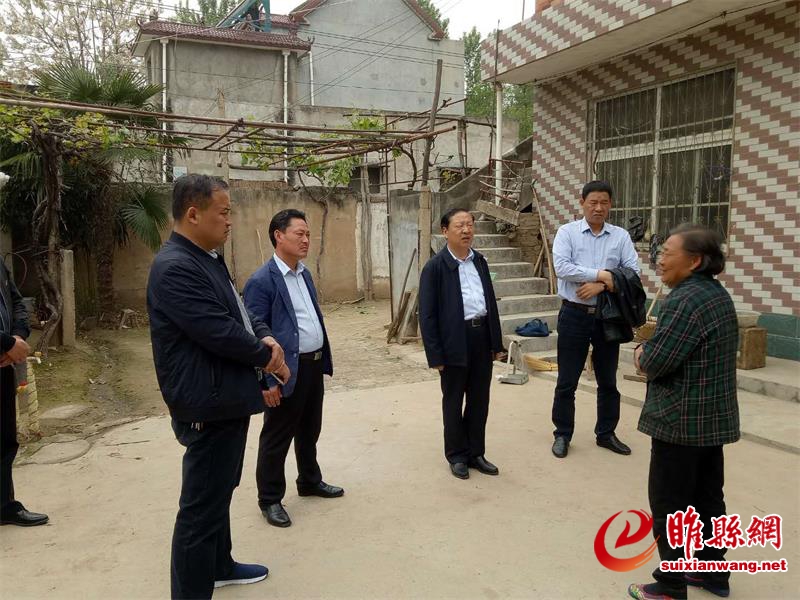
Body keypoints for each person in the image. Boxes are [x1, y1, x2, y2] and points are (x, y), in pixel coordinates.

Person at [147, 174, 289, 599]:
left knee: (220, 491)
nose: (230, 221)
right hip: (205, 404)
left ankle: (219, 565)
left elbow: (239, 312)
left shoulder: (206, 258)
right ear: (193, 214)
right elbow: (217, 330)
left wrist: (263, 335)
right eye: (223, 212)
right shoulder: (175, 267)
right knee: (199, 510)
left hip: (225, 396)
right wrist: (266, 356)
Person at [628, 225, 739, 600]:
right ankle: (713, 573)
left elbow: (656, 361)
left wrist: (641, 353)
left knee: (669, 504)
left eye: (668, 253)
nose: (660, 259)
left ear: (694, 261)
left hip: (680, 422)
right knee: (709, 500)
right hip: (711, 421)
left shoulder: (684, 302)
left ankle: (671, 584)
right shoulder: (717, 295)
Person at [243, 209, 341, 528]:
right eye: (299, 233)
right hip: (283, 371)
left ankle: (309, 480)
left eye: (308, 234)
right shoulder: (262, 281)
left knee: (310, 429)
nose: (306, 240)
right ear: (278, 235)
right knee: (277, 435)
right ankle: (270, 498)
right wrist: (265, 380)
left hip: (312, 365)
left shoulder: (304, 274)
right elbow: (254, 334)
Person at [550, 180, 640, 459]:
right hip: (573, 314)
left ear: (610, 204)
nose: (598, 208)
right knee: (567, 380)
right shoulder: (567, 233)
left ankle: (606, 433)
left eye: (604, 202)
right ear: (582, 203)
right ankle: (562, 434)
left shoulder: (620, 236)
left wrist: (601, 286)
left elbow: (633, 273)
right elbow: (562, 268)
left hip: (607, 317)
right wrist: (602, 274)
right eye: (593, 202)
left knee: (608, 380)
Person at [419, 207, 504, 480]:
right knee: (454, 400)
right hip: (454, 340)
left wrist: (496, 343)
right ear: (445, 231)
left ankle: (475, 452)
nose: (466, 230)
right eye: (460, 226)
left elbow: (490, 303)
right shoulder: (435, 267)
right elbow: (427, 315)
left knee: (480, 399)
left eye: (470, 224)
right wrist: (435, 355)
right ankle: (456, 455)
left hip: (481, 337)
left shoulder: (480, 261)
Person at [0, 260, 48, 527]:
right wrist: (7, 343)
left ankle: (4, 506)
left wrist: (17, 338)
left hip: (3, 363)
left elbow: (17, 302)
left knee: (5, 438)